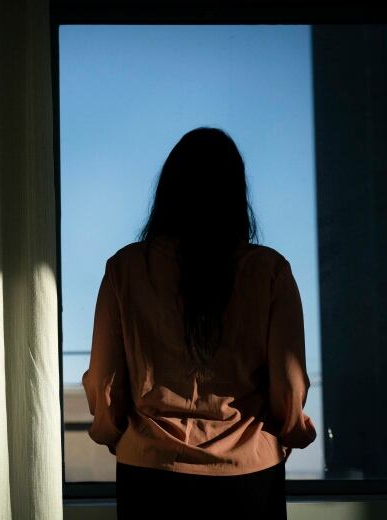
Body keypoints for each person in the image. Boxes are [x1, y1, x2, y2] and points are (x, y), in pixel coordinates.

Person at [82, 127, 317, 519]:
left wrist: (117, 435)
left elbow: (105, 383)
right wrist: (290, 433)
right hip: (248, 479)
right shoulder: (270, 271)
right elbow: (289, 386)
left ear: (169, 191)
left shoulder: (125, 268)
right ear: (236, 194)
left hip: (150, 477)